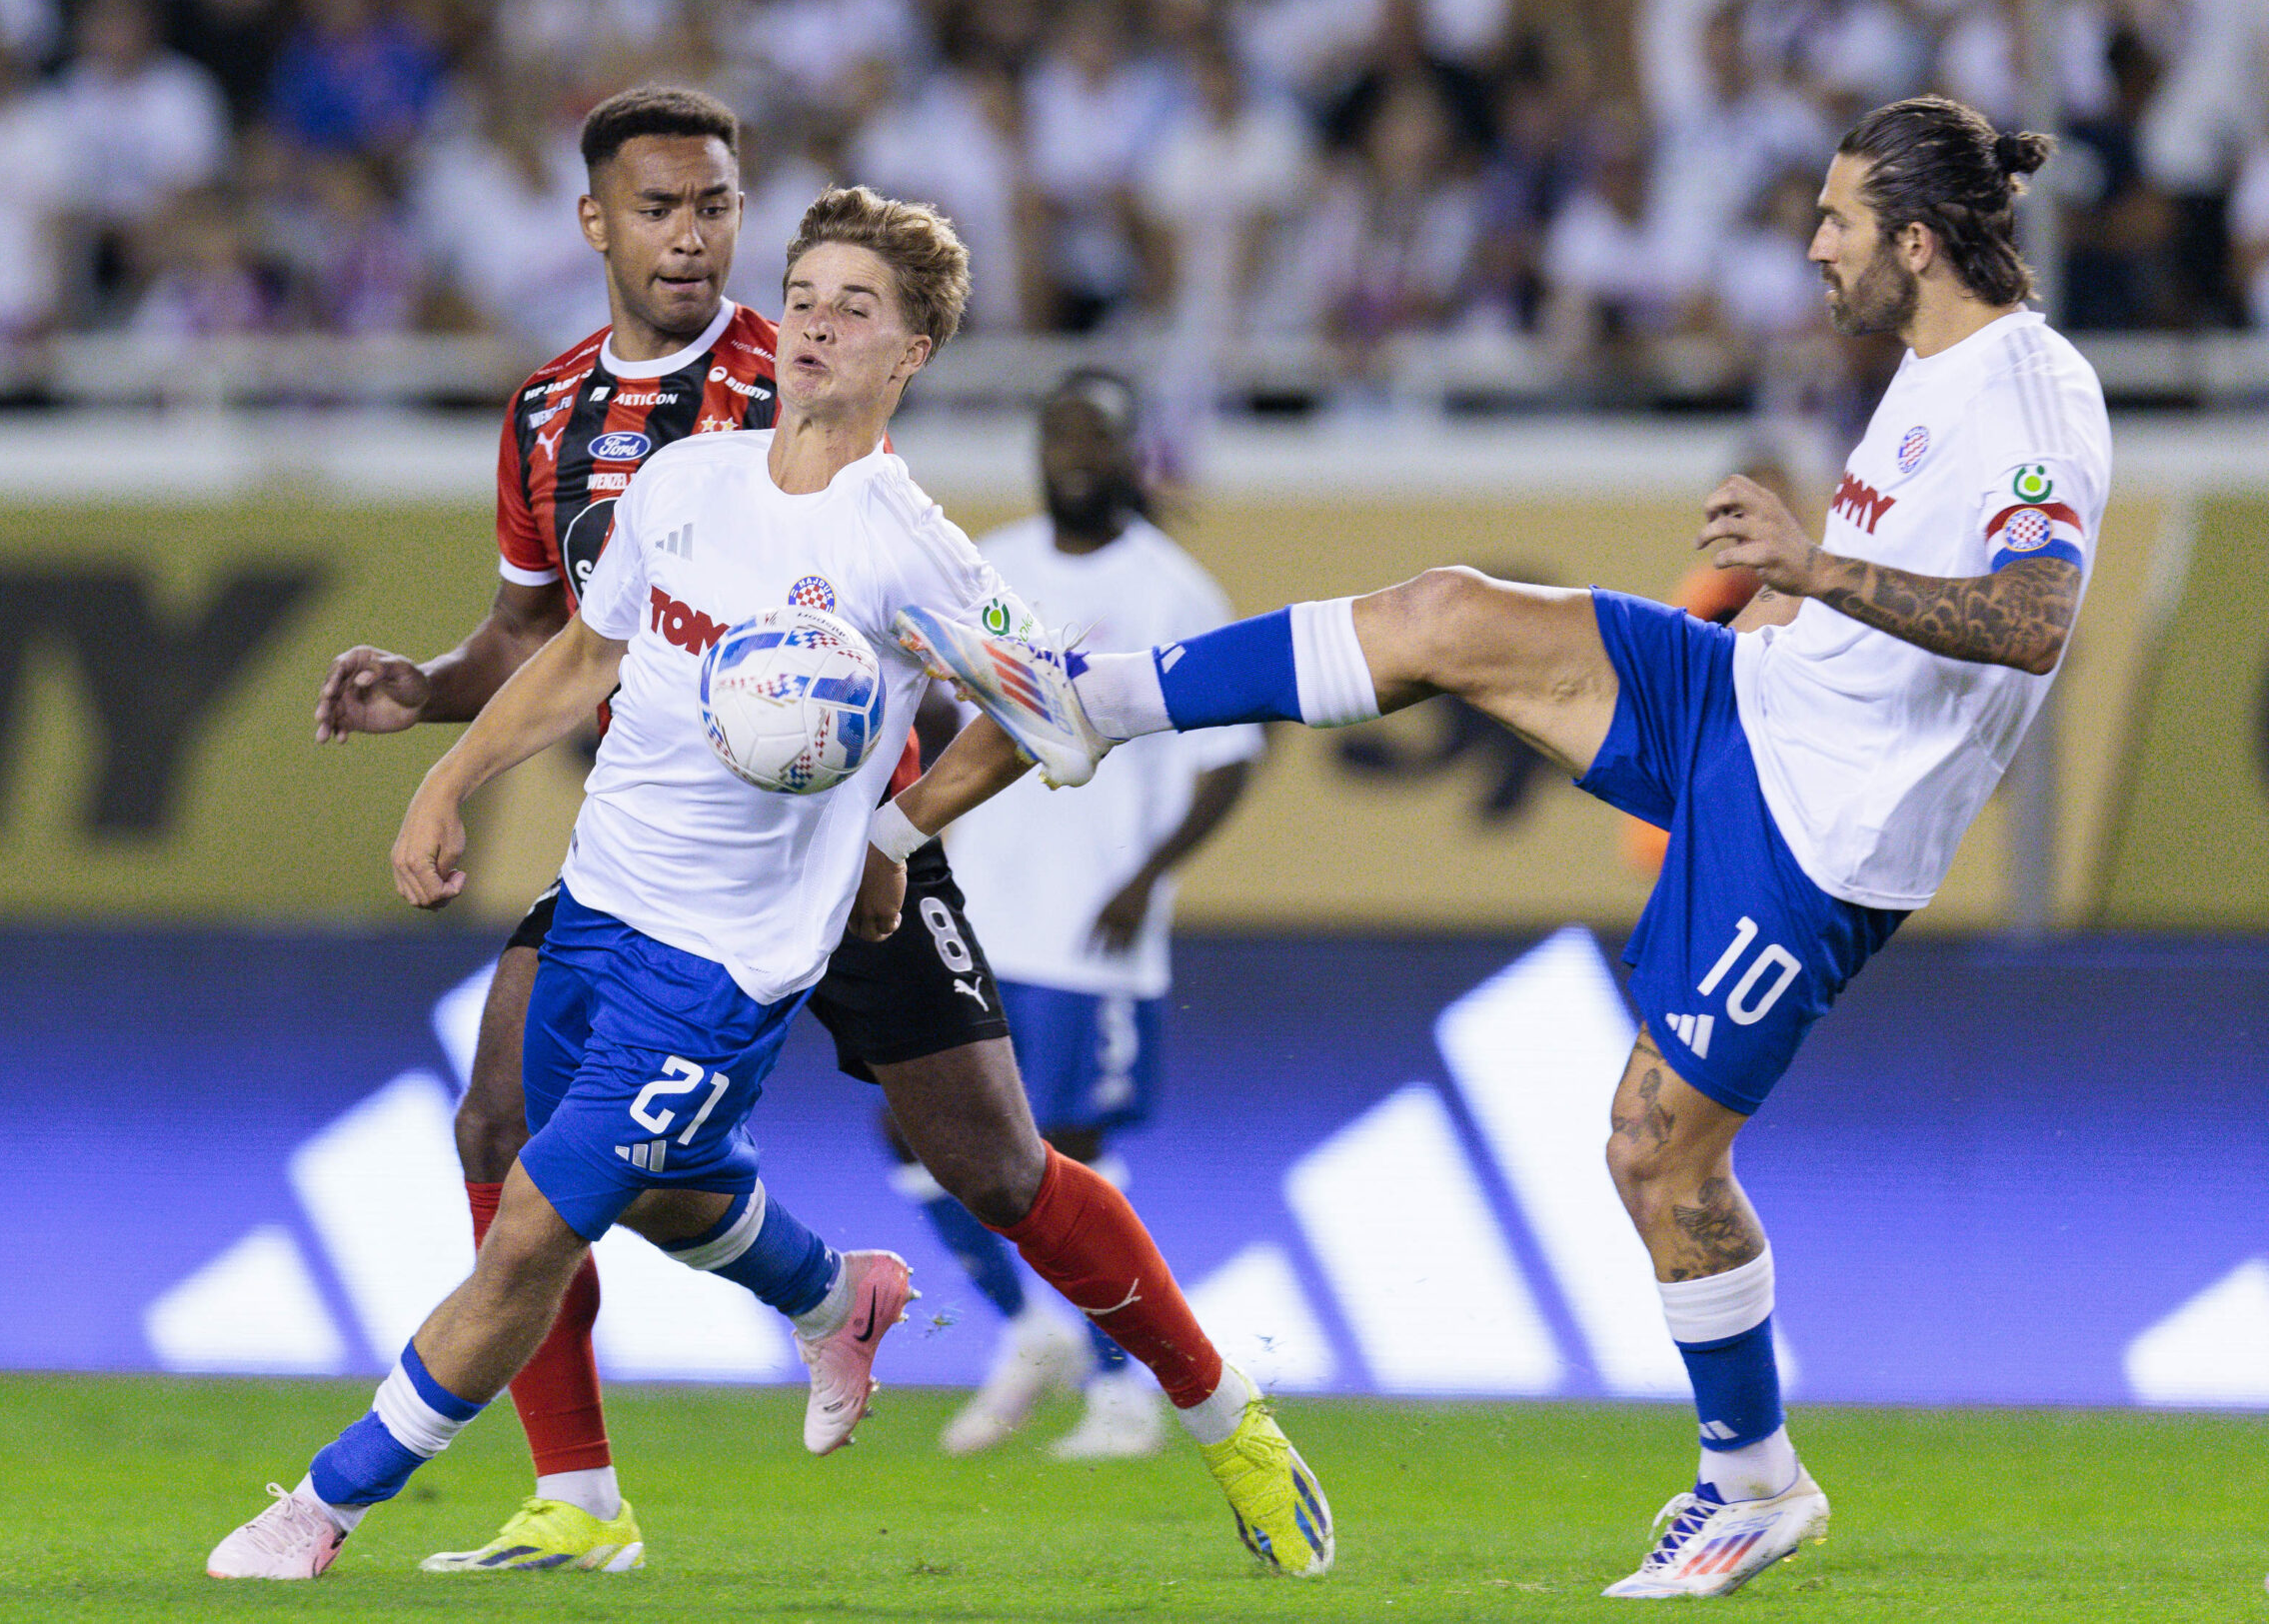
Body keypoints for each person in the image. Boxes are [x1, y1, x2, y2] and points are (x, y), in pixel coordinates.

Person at [893, 95, 2104, 1600]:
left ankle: (1754, 1481)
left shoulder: (2031, 395)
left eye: (1838, 222)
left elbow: (2034, 620)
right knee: (1447, 614)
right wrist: (1786, 605)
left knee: (1655, 1151)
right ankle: (1090, 705)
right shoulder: (1933, 375)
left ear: (1918, 242)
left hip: (1822, 831)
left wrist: (1812, 562)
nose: (1813, 247)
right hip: (1755, 708)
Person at [301, 89, 1333, 1581]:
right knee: (507, 1119)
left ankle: (1217, 1404)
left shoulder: (784, 387)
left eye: (717, 205)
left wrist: (898, 825)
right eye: (661, 207)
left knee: (992, 1163)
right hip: (661, 869)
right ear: (594, 222)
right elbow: (555, 632)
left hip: (851, 849)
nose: (694, 236)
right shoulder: (556, 415)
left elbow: (964, 638)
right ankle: (582, 1489)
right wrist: (432, 699)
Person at [922, 370, 1259, 1460]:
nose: (1073, 454)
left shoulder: (1173, 590)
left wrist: (1146, 875)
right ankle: (1034, 1334)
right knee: (915, 1128)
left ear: (1129, 456)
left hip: (1090, 930)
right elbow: (934, 704)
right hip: (976, 912)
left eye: (1095, 437)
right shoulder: (991, 569)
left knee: (1063, 1155)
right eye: (1058, 433)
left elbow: (1229, 758)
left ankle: (1124, 1385)